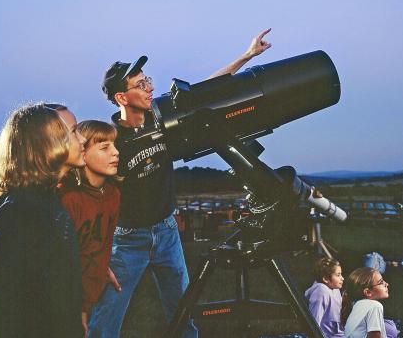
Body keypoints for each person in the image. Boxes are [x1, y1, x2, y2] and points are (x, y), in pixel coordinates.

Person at [88, 29, 272, 337]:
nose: (149, 87)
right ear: (122, 97)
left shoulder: (163, 117)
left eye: (147, 81)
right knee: (106, 319)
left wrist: (246, 56)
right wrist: (97, 253)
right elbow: (92, 196)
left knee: (184, 313)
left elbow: (206, 92)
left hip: (167, 232)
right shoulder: (110, 141)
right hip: (128, 239)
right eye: (140, 84)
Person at [0, 103, 86, 338]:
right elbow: (1, 309)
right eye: (74, 131)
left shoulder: (47, 201)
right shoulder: (19, 211)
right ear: (47, 143)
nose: (83, 139)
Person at [60, 120, 122, 337]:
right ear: (82, 153)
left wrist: (103, 266)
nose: (115, 153)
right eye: (104, 147)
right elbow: (63, 262)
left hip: (94, 291)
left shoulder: (113, 195)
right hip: (67, 297)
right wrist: (80, 308)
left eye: (114, 145)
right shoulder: (69, 200)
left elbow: (101, 243)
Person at [341, 267, 391, 338]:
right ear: (368, 292)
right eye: (381, 282)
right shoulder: (375, 306)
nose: (386, 284)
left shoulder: (358, 305)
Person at [305, 257, 345, 338]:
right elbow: (314, 323)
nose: (342, 278)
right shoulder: (321, 292)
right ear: (326, 279)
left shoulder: (334, 288)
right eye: (338, 275)